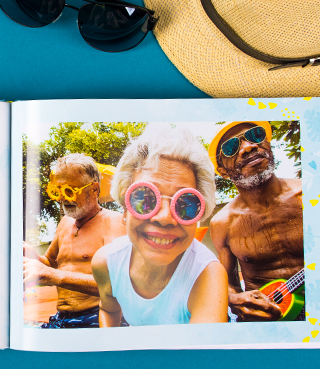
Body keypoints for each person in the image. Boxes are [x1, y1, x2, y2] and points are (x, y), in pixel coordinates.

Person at [92, 126, 228, 326]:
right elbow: (108, 310)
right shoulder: (106, 262)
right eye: (144, 198)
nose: (165, 218)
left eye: (186, 204)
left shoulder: (206, 275)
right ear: (124, 211)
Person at [208, 122, 305, 322]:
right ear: (223, 172)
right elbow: (228, 283)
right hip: (263, 321)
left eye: (256, 135)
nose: (249, 147)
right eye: (231, 147)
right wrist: (234, 298)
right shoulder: (223, 223)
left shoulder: (310, 196)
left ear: (268, 144)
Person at [23, 154, 126, 328]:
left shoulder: (114, 223)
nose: (63, 198)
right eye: (59, 190)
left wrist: (54, 276)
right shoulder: (65, 223)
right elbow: (51, 264)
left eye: (70, 191)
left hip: (96, 318)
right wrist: (33, 255)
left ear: (94, 189)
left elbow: (116, 285)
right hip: (60, 318)